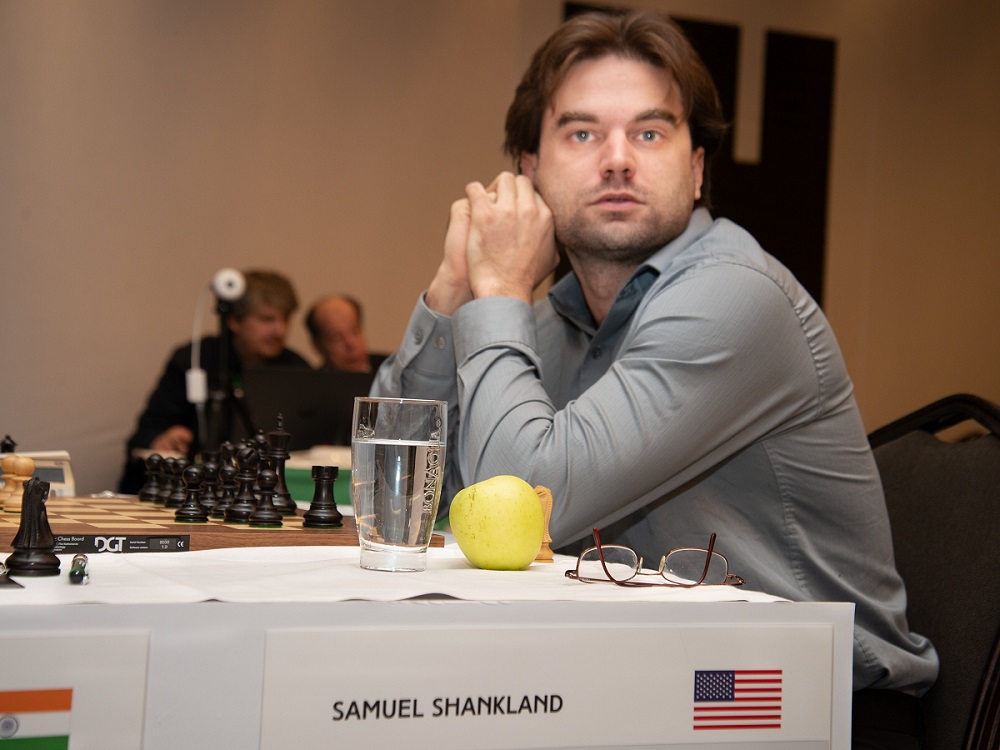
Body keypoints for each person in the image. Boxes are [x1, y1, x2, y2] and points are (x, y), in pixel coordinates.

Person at [371, 10, 936, 748]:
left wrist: (499, 288)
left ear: (696, 169)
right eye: (582, 134)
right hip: (650, 682)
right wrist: (454, 290)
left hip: (805, 706)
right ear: (529, 174)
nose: (617, 160)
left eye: (649, 133)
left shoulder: (734, 296)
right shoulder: (552, 325)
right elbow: (393, 500)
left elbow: (523, 503)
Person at [119, 269, 310, 493]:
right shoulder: (194, 360)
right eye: (267, 319)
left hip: (267, 490)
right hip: (192, 489)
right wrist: (163, 439)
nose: (280, 331)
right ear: (234, 321)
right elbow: (143, 436)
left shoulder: (296, 368)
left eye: (285, 319)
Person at [305, 294, 385, 372]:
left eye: (355, 332)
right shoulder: (312, 380)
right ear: (318, 345)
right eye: (336, 337)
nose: (350, 344)